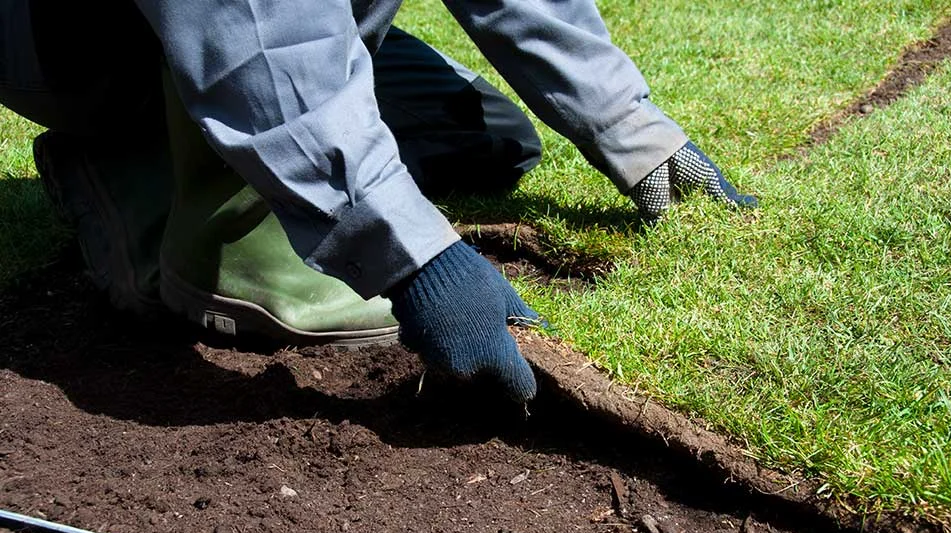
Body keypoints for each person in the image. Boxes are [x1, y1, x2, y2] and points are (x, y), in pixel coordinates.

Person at [1, 0, 756, 404]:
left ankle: (220, 138)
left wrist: (632, 128)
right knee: (240, 101)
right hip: (98, 35)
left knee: (486, 137)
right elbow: (254, 30)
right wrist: (418, 259)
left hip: (297, 15)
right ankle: (144, 184)